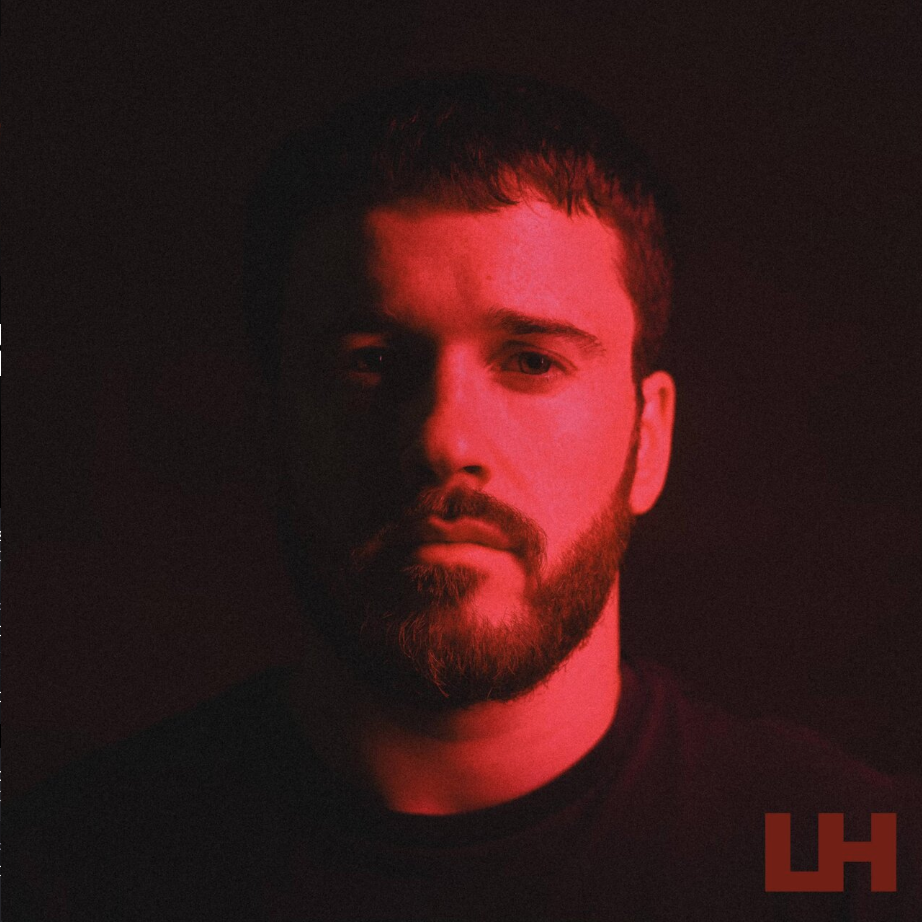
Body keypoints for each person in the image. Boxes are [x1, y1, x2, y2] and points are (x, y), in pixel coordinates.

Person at [7, 72, 921, 921]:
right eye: (370, 363)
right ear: (271, 426)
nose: (445, 440)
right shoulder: (67, 869)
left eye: (532, 361)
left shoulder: (846, 858)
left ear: (650, 440)